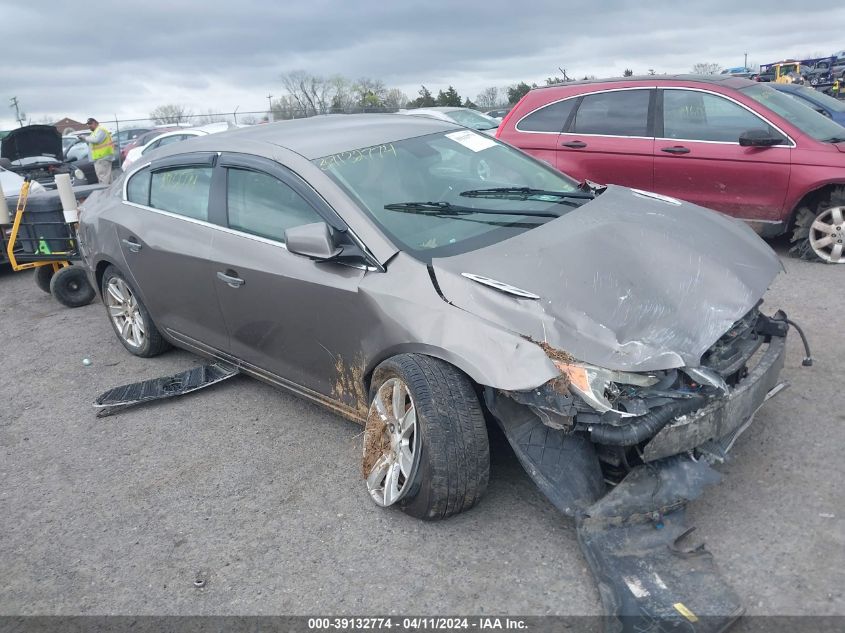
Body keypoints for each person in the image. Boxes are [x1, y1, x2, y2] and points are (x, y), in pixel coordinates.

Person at [79, 118, 115, 184]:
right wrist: (85, 139)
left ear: (95, 123)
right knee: (107, 177)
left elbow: (96, 140)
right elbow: (92, 143)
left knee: (103, 177)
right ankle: (110, 192)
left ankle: (104, 192)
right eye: (88, 124)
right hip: (101, 157)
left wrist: (85, 137)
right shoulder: (95, 132)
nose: (89, 126)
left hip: (102, 157)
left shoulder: (101, 130)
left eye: (90, 124)